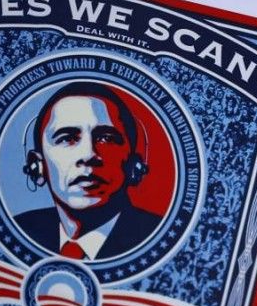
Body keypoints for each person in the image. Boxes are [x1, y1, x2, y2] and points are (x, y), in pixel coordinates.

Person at [15, 82, 161, 260]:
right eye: (67, 138)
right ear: (37, 167)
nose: (88, 154)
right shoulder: (18, 230)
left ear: (134, 166)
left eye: (106, 138)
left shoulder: (157, 236)